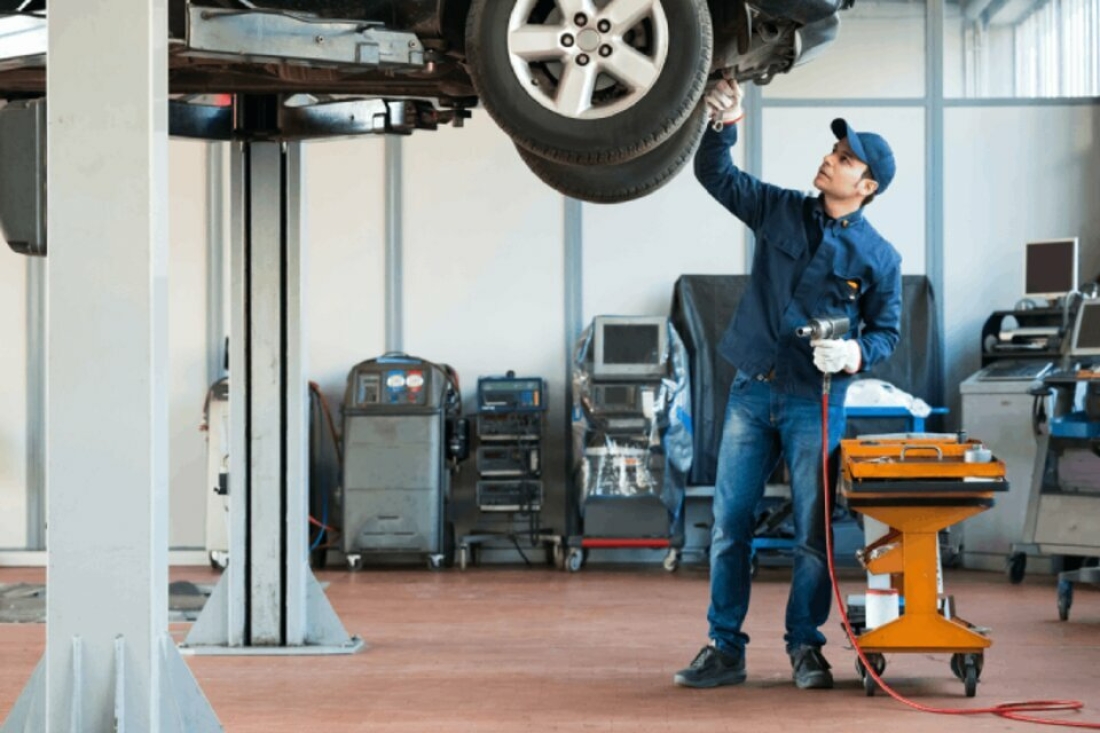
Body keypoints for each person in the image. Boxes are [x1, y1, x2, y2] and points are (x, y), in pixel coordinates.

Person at [673, 78, 903, 690]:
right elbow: (716, 175)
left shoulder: (881, 259)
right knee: (730, 526)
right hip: (752, 390)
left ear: (868, 186)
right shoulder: (778, 209)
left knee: (813, 533)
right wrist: (725, 122)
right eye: (834, 151)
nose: (831, 159)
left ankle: (806, 646)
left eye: (846, 159)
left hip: (815, 403)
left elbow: (887, 333)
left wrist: (855, 352)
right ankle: (725, 647)